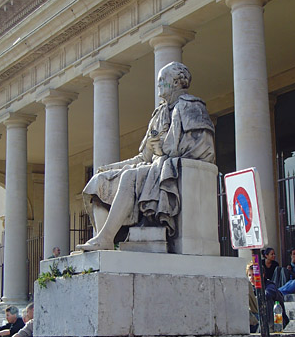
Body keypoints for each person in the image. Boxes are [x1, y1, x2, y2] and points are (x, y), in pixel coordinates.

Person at [79, 62, 215, 251]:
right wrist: (110, 168)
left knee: (129, 177)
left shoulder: (191, 107)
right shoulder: (158, 114)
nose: (158, 85)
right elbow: (143, 157)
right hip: (151, 169)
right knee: (99, 181)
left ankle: (106, 237)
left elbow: (203, 148)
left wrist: (164, 152)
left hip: (167, 170)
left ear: (176, 82)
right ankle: (105, 243)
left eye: (162, 80)